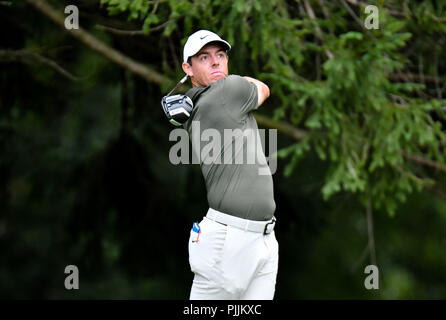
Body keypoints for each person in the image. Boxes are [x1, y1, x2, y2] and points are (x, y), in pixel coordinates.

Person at [181, 30, 278, 300]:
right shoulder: (228, 90)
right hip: (229, 241)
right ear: (187, 68)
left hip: (264, 238)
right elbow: (264, 89)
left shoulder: (196, 103)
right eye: (204, 57)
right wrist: (240, 79)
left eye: (220, 55)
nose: (215, 63)